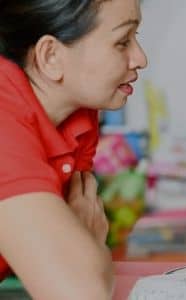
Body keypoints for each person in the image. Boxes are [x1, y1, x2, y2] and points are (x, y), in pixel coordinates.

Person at [0, 0, 147, 299]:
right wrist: (86, 247)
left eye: (136, 38)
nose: (140, 58)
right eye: (122, 42)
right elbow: (81, 290)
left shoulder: (79, 114)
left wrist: (81, 252)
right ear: (51, 56)